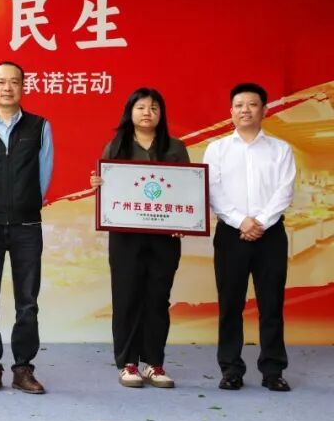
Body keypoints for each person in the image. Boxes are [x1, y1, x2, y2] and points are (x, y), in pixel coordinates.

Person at [89, 88, 188, 389]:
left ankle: (154, 363)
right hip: (125, 237)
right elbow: (108, 192)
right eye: (141, 107)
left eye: (154, 108)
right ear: (130, 112)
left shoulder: (175, 147)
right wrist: (98, 184)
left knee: (158, 299)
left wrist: (184, 221)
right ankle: (128, 363)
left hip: (164, 236)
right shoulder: (116, 146)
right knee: (127, 297)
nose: (148, 113)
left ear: (162, 114)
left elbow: (187, 189)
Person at [0, 61, 53, 394]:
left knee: (27, 302)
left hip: (26, 225)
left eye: (14, 82)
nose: (7, 88)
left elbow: (44, 174)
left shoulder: (39, 126)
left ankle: (23, 369)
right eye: (1, 82)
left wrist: (26, 204)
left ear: (22, 87)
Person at [204, 83, 296, 391]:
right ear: (231, 111)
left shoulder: (281, 149)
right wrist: (241, 221)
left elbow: (285, 191)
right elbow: (213, 190)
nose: (246, 110)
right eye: (239, 105)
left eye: (252, 104)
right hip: (231, 234)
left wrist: (261, 222)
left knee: (272, 304)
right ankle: (231, 369)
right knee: (230, 304)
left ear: (264, 110)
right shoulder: (217, 149)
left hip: (271, 235)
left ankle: (273, 370)